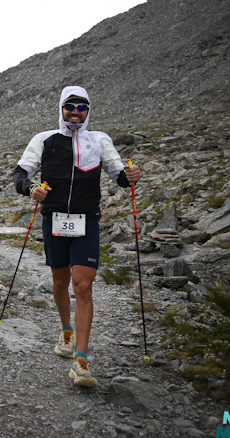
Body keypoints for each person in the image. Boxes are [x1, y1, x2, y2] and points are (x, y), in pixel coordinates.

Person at [12, 85, 141, 388]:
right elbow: (20, 174)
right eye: (70, 106)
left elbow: (120, 176)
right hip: (54, 220)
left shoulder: (100, 140)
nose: (75, 112)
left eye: (82, 107)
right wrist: (32, 189)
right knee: (60, 281)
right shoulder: (43, 139)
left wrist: (131, 176)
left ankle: (81, 360)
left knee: (83, 285)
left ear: (88, 111)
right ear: (61, 108)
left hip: (87, 221)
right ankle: (66, 330)